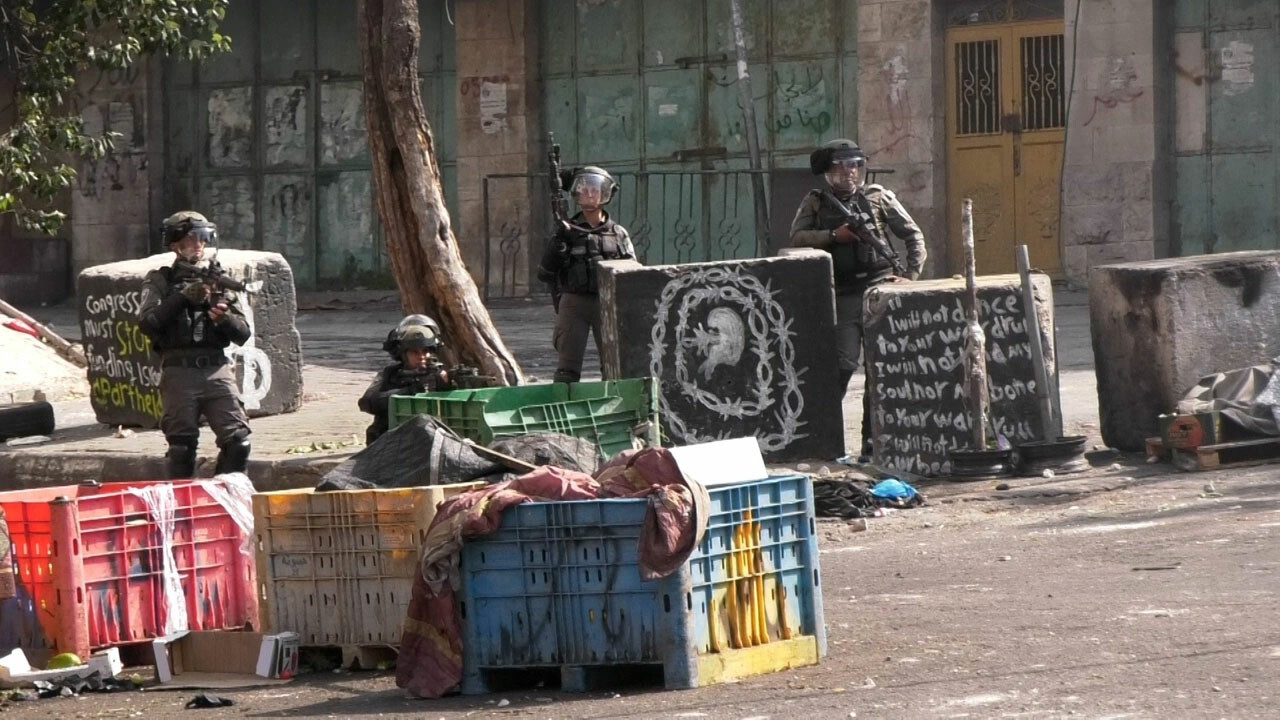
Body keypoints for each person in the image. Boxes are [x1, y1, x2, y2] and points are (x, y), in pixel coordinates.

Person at [788, 139, 927, 458]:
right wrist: (834, 237)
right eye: (841, 167)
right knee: (844, 363)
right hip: (844, 293)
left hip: (880, 286)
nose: (849, 173)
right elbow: (796, 237)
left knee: (880, 368)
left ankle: (872, 440)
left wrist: (911, 275)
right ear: (829, 172)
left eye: (854, 166)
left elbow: (912, 235)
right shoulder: (817, 202)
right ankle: (824, 436)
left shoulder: (878, 197)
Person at [138, 210, 253, 479]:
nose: (197, 246)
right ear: (175, 245)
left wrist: (222, 318)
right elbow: (148, 323)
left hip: (216, 369)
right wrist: (182, 298)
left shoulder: (217, 280)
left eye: (202, 240)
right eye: (190, 240)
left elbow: (243, 333)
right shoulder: (160, 280)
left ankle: (227, 497)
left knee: (238, 442)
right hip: (180, 372)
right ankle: (183, 507)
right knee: (181, 447)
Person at [536, 166, 636, 384]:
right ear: (577, 193)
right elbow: (545, 273)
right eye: (586, 189)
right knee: (567, 371)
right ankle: (564, 411)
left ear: (604, 194)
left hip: (608, 304)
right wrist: (558, 246)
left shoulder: (618, 234)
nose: (590, 194)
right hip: (575, 302)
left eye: (595, 189)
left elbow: (632, 273)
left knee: (615, 367)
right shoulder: (566, 231)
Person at [358, 318, 453, 445]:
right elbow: (367, 403)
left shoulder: (438, 375)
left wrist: (446, 384)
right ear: (403, 355)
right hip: (391, 440)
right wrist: (410, 391)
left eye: (425, 351)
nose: (422, 357)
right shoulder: (391, 374)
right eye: (415, 352)